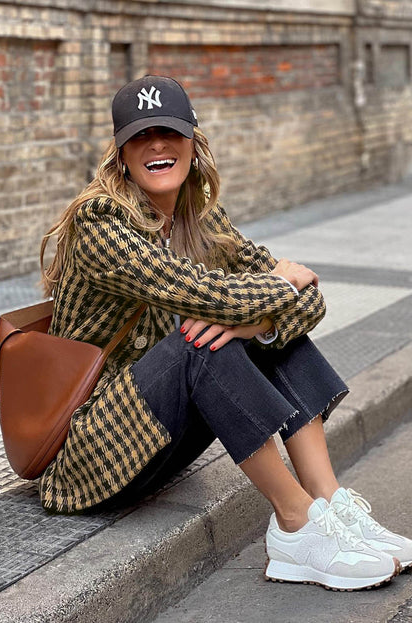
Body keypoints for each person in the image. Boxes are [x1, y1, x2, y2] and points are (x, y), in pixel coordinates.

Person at [39, 75, 412, 591]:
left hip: (154, 434)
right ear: (121, 154)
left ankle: (329, 504)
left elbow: (309, 298)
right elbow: (213, 294)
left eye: (169, 132)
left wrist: (260, 322)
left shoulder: (201, 219)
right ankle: (296, 524)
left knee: (260, 333)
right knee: (202, 340)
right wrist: (270, 293)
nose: (157, 146)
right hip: (90, 454)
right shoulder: (99, 222)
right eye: (140, 137)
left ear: (194, 141)